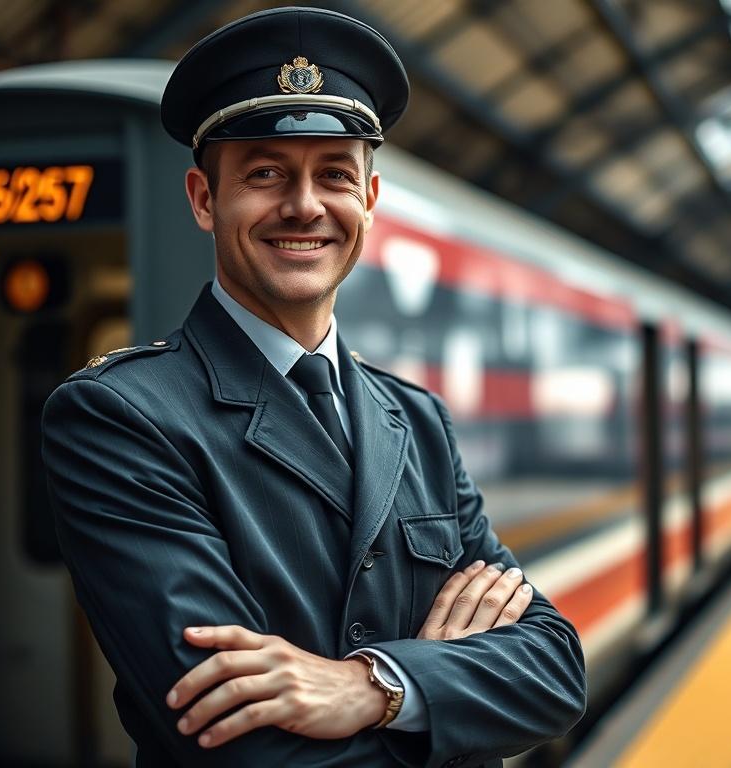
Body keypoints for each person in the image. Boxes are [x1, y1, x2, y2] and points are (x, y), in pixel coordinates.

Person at [41, 7, 586, 767]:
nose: (304, 205)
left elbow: (556, 670)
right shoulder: (121, 417)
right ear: (204, 199)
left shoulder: (416, 420)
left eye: (334, 172)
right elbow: (241, 743)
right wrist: (450, 702)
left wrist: (373, 688)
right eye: (265, 173)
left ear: (368, 199)